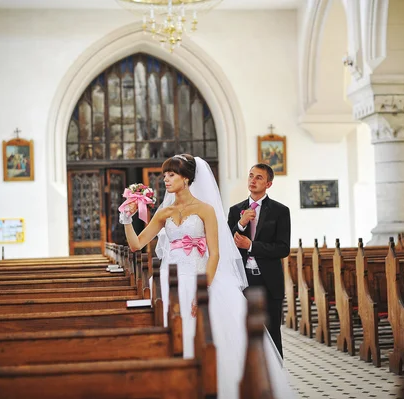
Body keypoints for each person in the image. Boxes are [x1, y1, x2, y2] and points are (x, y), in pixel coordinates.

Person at [120, 154, 295, 399]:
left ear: (187, 178)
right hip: (171, 282)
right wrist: (126, 219)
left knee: (211, 339)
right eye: (165, 175)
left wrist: (203, 290)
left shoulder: (205, 210)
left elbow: (214, 254)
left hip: (203, 281)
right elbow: (137, 244)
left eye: (172, 174)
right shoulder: (164, 212)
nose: (166, 180)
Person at [228, 163, 290, 358]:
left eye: (259, 178)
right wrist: (241, 223)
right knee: (245, 332)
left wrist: (252, 246)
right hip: (243, 279)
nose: (252, 181)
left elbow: (283, 248)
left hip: (269, 281)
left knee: (272, 332)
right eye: (251, 176)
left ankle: (276, 378)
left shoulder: (280, 211)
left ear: (269, 184)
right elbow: (227, 244)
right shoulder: (235, 210)